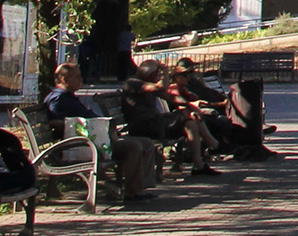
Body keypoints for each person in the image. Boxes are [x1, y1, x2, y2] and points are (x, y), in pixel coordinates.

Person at [44, 63, 161, 202]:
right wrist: (87, 125)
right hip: (82, 145)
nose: (81, 79)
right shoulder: (59, 99)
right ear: (64, 79)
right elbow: (55, 123)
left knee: (146, 143)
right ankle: (132, 191)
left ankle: (139, 189)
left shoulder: (68, 96)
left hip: (95, 138)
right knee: (133, 146)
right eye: (77, 76)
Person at [122, 61, 219, 176]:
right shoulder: (133, 83)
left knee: (190, 123)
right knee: (188, 114)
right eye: (157, 74)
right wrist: (166, 71)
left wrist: (188, 104)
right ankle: (213, 143)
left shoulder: (149, 85)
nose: (158, 76)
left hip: (155, 123)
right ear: (150, 74)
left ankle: (199, 166)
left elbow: (170, 97)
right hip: (144, 126)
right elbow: (162, 87)